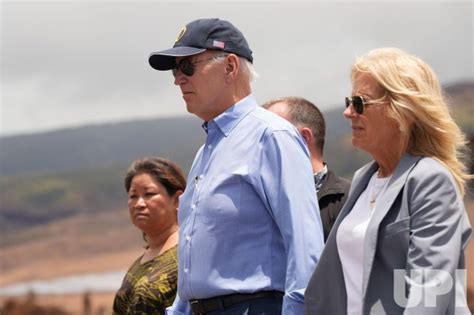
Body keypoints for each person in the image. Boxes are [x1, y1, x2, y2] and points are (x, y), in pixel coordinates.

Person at [148, 18, 324, 314]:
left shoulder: (272, 136)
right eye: (175, 70)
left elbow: (305, 245)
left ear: (230, 67)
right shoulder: (205, 153)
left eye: (188, 66)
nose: (178, 78)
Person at [304, 47, 472, 314]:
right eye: (348, 101)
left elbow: (430, 291)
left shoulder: (430, 179)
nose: (348, 112)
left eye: (359, 103)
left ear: (402, 110)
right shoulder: (363, 178)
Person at [263, 96, 351, 241]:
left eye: (269, 136)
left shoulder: (352, 201)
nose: (258, 146)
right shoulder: (260, 206)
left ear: (304, 138)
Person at [113, 157, 186, 315]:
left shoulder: (186, 256)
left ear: (177, 200)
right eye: (133, 196)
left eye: (149, 194)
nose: (139, 203)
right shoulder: (139, 264)